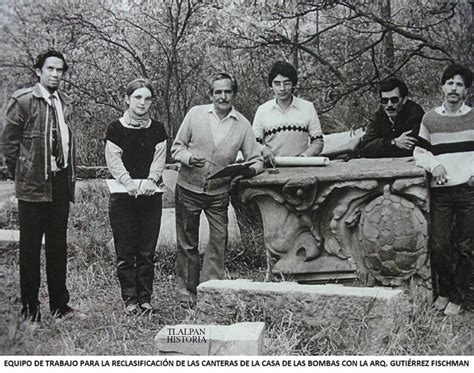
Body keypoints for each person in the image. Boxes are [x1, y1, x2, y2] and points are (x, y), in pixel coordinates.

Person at [1, 50, 86, 322]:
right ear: (38, 71)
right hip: (32, 186)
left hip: (60, 184)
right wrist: (24, 174)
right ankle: (30, 311)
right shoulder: (23, 100)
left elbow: (67, 143)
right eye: (50, 69)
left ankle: (60, 306)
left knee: (57, 247)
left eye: (60, 70)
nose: (55, 74)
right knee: (29, 250)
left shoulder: (65, 102)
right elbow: (9, 145)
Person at [171, 73, 263, 307]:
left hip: (219, 193)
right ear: (210, 94)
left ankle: (210, 289)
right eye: (218, 92)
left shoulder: (242, 124)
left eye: (227, 91)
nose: (223, 96)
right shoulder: (195, 114)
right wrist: (189, 159)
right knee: (187, 241)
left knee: (219, 239)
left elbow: (256, 159)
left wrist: (246, 171)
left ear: (234, 94)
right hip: (188, 187)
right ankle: (187, 292)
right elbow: (176, 148)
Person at [414, 64, 474, 316]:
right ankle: (446, 291)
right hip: (441, 192)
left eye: (459, 84)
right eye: (449, 83)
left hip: (469, 192)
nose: (453, 88)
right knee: (438, 244)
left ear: (466, 91)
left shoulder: (472, 117)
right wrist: (435, 164)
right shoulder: (430, 119)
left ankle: (457, 297)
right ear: (442, 87)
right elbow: (419, 152)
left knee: (465, 246)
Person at [105, 78, 167, 315]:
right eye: (137, 97)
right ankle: (130, 300)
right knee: (125, 251)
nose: (143, 102)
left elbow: (159, 157)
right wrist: (128, 182)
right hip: (123, 197)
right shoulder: (115, 128)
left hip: (151, 197)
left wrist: (152, 180)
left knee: (146, 252)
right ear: (127, 99)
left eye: (147, 98)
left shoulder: (158, 129)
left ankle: (145, 299)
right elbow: (114, 159)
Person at [253, 61, 324, 166]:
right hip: (272, 169)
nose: (282, 88)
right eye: (277, 83)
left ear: (293, 84)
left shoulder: (307, 107)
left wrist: (304, 157)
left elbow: (318, 142)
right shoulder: (262, 110)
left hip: (303, 168)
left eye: (286, 83)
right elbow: (253, 143)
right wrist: (264, 150)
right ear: (271, 85)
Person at [358, 78, 424, 158]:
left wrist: (380, 147)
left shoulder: (415, 113)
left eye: (394, 100)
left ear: (404, 100)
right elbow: (365, 148)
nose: (389, 104)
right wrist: (393, 142)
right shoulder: (379, 116)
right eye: (384, 101)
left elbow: (409, 149)